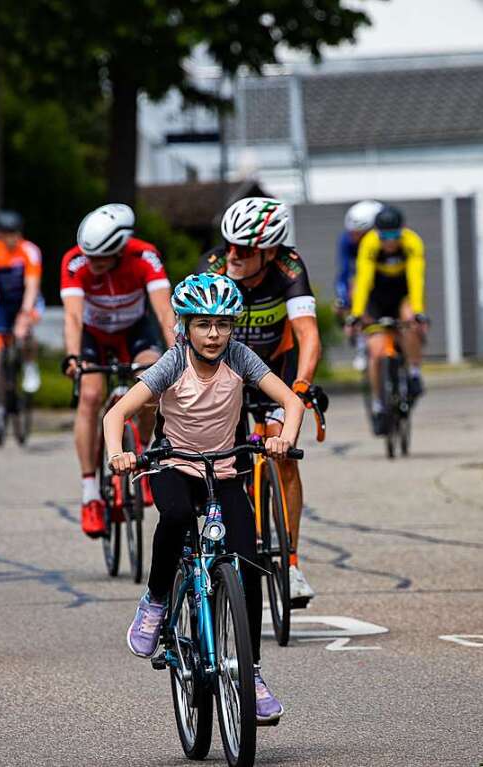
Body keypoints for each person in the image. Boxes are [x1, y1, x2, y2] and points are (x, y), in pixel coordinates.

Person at [104, 273, 304, 724]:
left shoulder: (240, 357)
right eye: (203, 325)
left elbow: (290, 403)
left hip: (226, 469)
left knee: (248, 561)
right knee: (174, 516)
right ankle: (155, 601)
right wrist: (119, 455)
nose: (214, 335)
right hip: (176, 466)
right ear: (185, 326)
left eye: (223, 324)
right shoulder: (172, 364)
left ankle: (249, 673)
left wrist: (283, 440)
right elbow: (116, 413)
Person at [203, 196, 321, 605]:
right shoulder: (216, 268)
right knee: (221, 457)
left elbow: (307, 334)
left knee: (282, 453)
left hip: (276, 368)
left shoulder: (290, 267)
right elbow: (187, 335)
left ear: (270, 251)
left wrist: (301, 387)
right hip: (228, 370)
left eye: (245, 249)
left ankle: (290, 564)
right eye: (229, 244)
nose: (233, 255)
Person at [60, 203, 176, 537]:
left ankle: (145, 456)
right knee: (91, 394)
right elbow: (71, 316)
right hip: (93, 336)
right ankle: (90, 495)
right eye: (89, 257)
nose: (92, 264)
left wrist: (180, 353)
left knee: (152, 385)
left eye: (100, 258)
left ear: (119, 250)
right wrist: (72, 357)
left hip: (134, 331)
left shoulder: (145, 257)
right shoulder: (75, 260)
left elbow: (165, 313)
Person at [345, 205, 428, 436]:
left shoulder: (412, 242)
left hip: (402, 293)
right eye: (384, 236)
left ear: (402, 231)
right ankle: (379, 405)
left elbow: (415, 277)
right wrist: (357, 312)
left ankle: (413, 374)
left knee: (409, 320)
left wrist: (419, 311)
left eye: (394, 236)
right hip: (377, 296)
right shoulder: (370, 244)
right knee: (376, 348)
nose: (389, 242)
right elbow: (362, 279)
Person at [0, 211, 42, 410]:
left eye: (15, 234)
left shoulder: (29, 251)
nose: (13, 239)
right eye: (8, 234)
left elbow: (32, 286)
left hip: (27, 299)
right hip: (4, 303)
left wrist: (24, 316)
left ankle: (30, 365)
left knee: (26, 331)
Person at [336, 200, 383, 370]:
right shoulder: (347, 241)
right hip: (364, 282)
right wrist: (342, 300)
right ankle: (362, 344)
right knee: (354, 291)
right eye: (352, 233)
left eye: (360, 234)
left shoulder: (384, 241)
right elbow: (344, 272)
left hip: (387, 283)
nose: (354, 238)